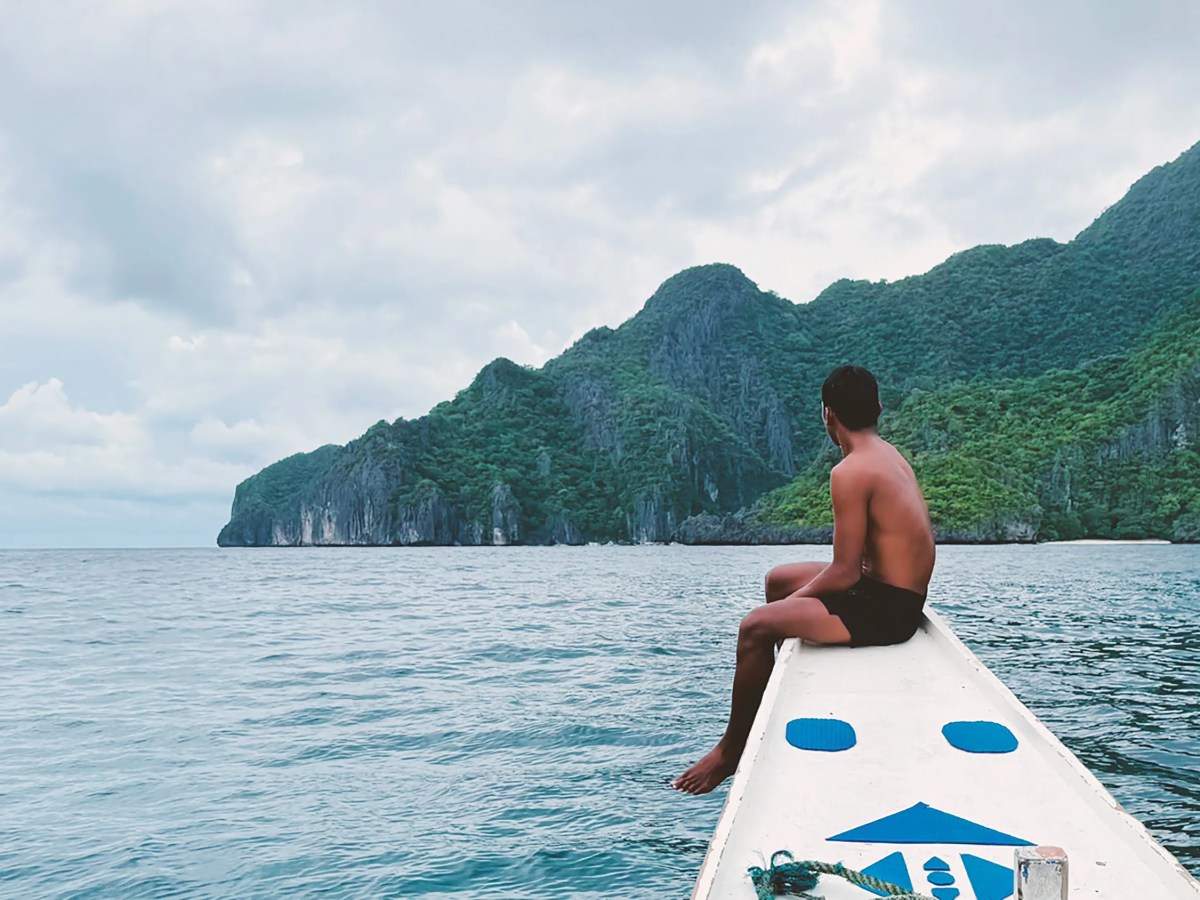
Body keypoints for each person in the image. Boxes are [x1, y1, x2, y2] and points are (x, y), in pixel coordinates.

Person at [672, 365, 936, 795]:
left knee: (755, 626)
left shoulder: (850, 472)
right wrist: (792, 598)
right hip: (890, 591)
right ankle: (775, 697)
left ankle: (731, 750)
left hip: (888, 612)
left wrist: (782, 610)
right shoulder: (886, 455)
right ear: (878, 409)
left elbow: (845, 572)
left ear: (827, 415)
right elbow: (854, 568)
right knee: (778, 580)